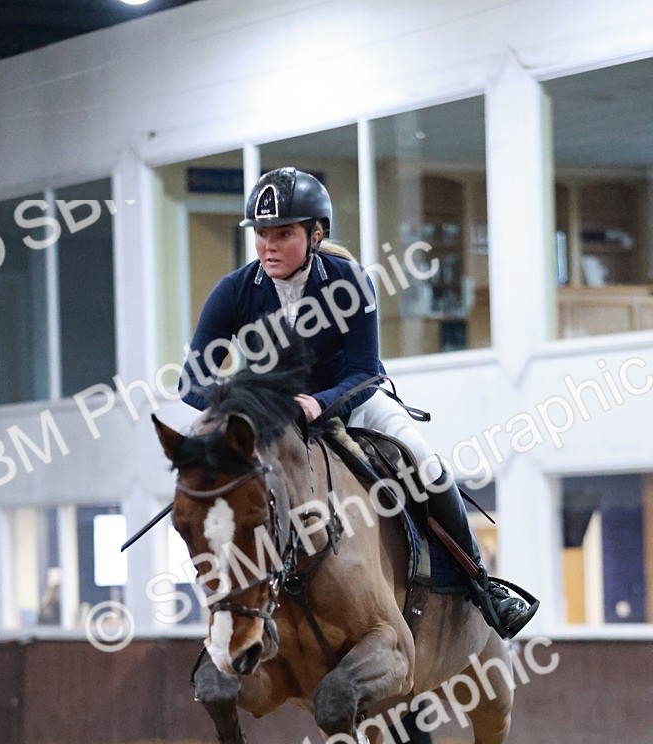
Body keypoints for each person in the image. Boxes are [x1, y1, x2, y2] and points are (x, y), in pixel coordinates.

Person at [178, 166, 535, 639]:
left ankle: (483, 587)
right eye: (261, 234)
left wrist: (318, 405)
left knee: (428, 466)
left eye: (283, 234)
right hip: (271, 422)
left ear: (315, 233)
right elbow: (193, 380)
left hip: (349, 404)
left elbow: (366, 371)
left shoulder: (349, 281)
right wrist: (249, 406)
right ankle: (232, 611)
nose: (268, 246)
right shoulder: (234, 291)